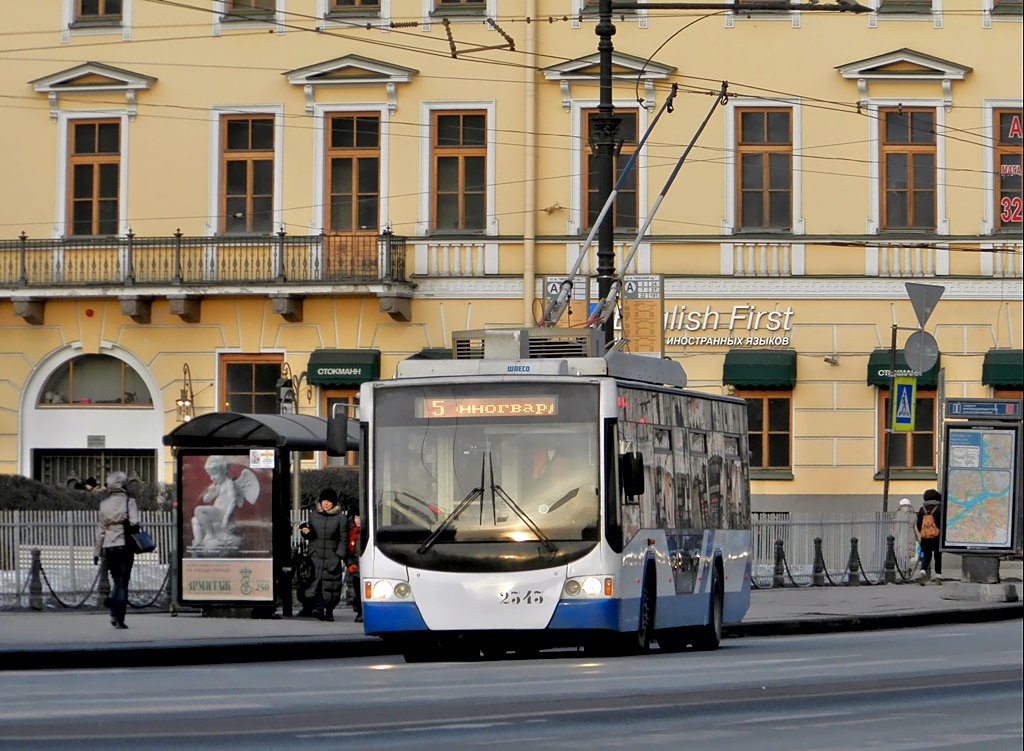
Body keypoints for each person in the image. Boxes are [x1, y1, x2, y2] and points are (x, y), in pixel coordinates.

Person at [93, 470, 139, 629]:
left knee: (115, 581)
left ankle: (114, 613)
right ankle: (119, 617)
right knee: (123, 582)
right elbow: (134, 522)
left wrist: (97, 552)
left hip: (109, 546)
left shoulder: (104, 504)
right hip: (125, 545)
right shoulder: (129, 502)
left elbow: (100, 531)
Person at [298, 488, 348, 621]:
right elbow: (310, 535)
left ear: (334, 503)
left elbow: (344, 539)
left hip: (332, 556)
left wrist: (338, 555)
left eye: (329, 501)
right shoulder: (314, 515)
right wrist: (305, 532)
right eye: (324, 500)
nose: (326, 503)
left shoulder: (341, 518)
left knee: (331, 585)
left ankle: (329, 610)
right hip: (316, 555)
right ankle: (317, 608)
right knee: (316, 583)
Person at [915, 488, 944, 584]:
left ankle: (923, 572)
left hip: (925, 537)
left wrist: (923, 533)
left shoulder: (922, 509)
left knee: (926, 556)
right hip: (937, 537)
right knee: (938, 556)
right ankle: (938, 577)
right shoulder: (940, 509)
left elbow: (919, 524)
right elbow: (942, 523)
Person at [346, 511, 362, 623]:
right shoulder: (351, 533)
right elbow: (347, 551)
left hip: (365, 566)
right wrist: (350, 563)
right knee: (358, 590)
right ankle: (360, 610)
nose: (358, 520)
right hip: (356, 567)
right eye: (356, 517)